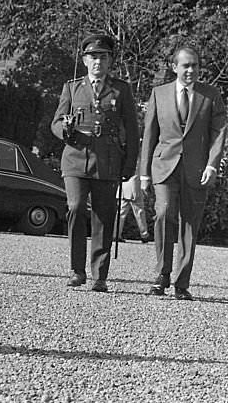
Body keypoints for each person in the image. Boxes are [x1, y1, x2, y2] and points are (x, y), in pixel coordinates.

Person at [50, 34, 139, 292]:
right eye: (93, 57)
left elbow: (132, 131)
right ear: (85, 60)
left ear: (110, 61)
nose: (97, 62)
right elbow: (55, 122)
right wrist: (65, 129)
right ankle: (77, 270)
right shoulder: (72, 87)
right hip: (76, 158)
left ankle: (100, 275)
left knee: (104, 216)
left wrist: (129, 165)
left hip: (108, 161)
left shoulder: (121, 90)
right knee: (76, 208)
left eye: (103, 57)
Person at [140, 47, 227, 301]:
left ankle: (181, 282)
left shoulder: (210, 96)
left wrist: (212, 164)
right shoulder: (159, 94)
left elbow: (219, 132)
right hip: (164, 166)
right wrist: (143, 173)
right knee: (163, 213)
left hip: (197, 169)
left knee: (190, 224)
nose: (191, 70)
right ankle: (161, 275)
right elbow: (150, 135)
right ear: (174, 67)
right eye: (186, 65)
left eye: (195, 66)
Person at [116, 174, 152, 243]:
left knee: (121, 212)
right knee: (139, 212)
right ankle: (144, 235)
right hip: (134, 185)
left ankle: (116, 234)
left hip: (124, 186)